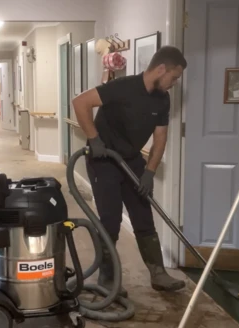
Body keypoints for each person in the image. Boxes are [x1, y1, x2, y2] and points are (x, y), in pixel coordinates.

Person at [71, 46, 187, 296]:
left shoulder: (162, 99)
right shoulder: (123, 87)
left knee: (143, 217)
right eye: (174, 77)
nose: (174, 84)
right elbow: (80, 102)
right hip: (104, 160)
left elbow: (160, 137)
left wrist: (149, 172)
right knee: (110, 221)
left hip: (132, 161)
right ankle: (107, 279)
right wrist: (93, 139)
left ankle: (158, 274)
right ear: (161, 69)